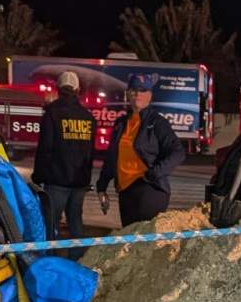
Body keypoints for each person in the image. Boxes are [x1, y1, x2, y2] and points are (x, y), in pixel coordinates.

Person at [95, 72, 186, 227]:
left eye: (143, 90)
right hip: (125, 191)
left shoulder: (157, 122)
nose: (138, 94)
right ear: (128, 93)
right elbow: (111, 158)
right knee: (129, 241)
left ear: (150, 95)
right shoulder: (121, 124)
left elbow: (178, 152)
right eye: (134, 89)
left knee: (143, 240)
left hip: (149, 189)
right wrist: (101, 187)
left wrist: (155, 173)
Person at [32, 69, 95, 241]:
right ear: (77, 90)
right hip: (79, 182)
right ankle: (77, 259)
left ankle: (49, 261)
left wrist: (38, 176)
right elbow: (90, 152)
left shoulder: (52, 113)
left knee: (50, 224)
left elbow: (45, 148)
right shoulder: (88, 117)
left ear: (59, 90)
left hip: (56, 181)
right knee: (76, 223)